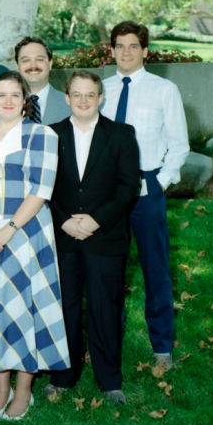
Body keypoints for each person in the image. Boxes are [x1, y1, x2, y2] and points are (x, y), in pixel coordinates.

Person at [0, 71, 69, 421]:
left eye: (15, 95)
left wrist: (7, 229)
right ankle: (1, 387)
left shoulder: (41, 135)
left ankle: (23, 391)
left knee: (23, 308)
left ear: (25, 102)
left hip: (24, 232)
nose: (7, 100)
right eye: (1, 94)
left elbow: (40, 190)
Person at [46, 71, 140, 406]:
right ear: (67, 97)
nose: (83, 100)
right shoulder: (51, 134)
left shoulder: (120, 134)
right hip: (65, 236)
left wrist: (97, 220)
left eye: (90, 94)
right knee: (65, 306)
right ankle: (62, 376)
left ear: (100, 97)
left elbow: (128, 187)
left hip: (105, 237)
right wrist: (64, 221)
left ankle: (109, 379)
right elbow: (43, 188)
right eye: (77, 94)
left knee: (104, 307)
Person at [101, 21, 189, 371]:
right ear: (111, 51)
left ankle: (162, 346)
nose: (126, 52)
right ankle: (110, 342)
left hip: (147, 190)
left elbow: (179, 144)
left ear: (145, 51)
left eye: (133, 46)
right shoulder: (101, 90)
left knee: (156, 269)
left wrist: (161, 181)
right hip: (107, 194)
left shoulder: (163, 89)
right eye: (120, 45)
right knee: (108, 270)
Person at [14, 36, 71, 125]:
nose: (33, 65)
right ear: (18, 66)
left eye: (40, 59)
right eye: (26, 60)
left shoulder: (70, 105)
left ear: (50, 64)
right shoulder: (7, 105)